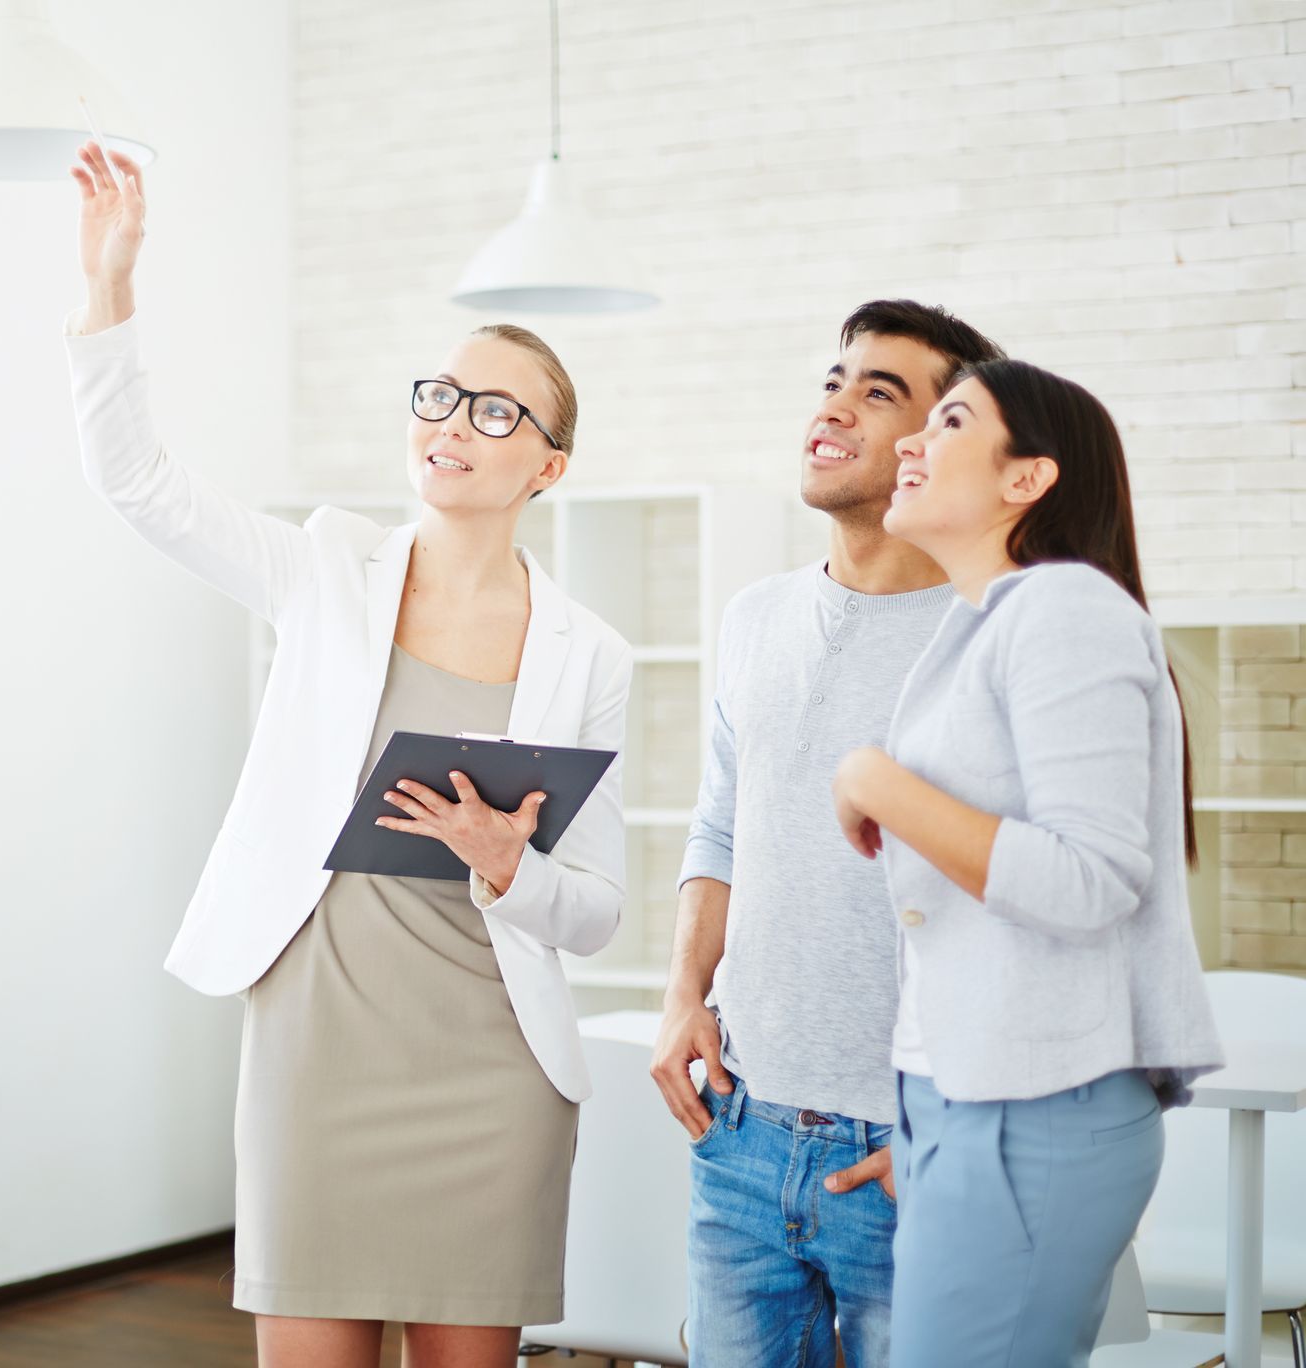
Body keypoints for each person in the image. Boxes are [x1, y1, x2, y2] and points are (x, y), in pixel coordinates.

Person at [63, 143, 633, 1368]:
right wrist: (110, 286)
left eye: (496, 412)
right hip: (318, 1046)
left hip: (493, 1066)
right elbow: (138, 484)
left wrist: (504, 863)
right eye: (438, 394)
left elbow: (593, 914)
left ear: (549, 465)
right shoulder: (325, 569)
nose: (452, 425)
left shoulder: (590, 654)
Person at [828, 358, 1224, 1366]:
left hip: (1030, 1116)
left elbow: (1088, 878)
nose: (912, 441)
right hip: (974, 1109)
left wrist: (877, 780)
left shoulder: (1064, 610)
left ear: (1027, 479)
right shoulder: (984, 624)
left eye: (950, 420)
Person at [651, 301, 1005, 1367]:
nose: (835, 405)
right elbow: (721, 824)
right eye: (833, 379)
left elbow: (1036, 900)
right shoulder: (754, 616)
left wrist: (960, 1124)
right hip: (741, 1135)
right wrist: (680, 999)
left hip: (908, 1150)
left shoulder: (992, 633)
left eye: (879, 391)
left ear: (943, 444)